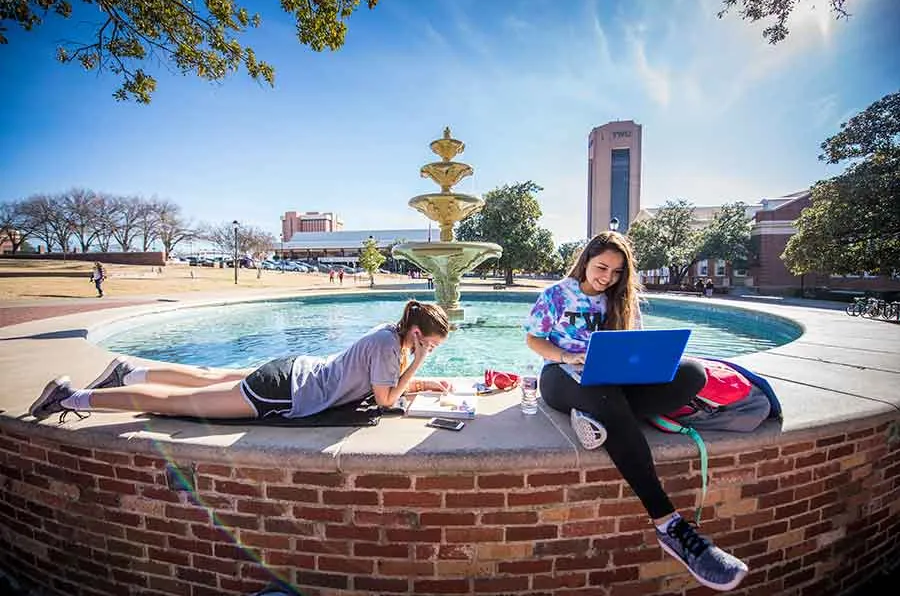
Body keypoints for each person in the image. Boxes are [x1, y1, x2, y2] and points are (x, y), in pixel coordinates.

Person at [523, 231, 748, 592]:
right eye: (601, 268)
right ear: (586, 260)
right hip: (560, 375)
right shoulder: (556, 295)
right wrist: (568, 356)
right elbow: (533, 339)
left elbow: (632, 347)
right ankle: (668, 524)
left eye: (616, 272)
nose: (607, 277)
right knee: (605, 393)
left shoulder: (621, 299)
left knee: (691, 373)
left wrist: (642, 367)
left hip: (608, 381)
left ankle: (595, 416)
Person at [30, 301, 453, 423]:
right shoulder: (389, 348)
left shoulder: (390, 337)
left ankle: (127, 371)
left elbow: (383, 384)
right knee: (172, 404)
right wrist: (418, 367)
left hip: (294, 370)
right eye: (430, 344)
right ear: (417, 334)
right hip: (285, 391)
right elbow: (383, 400)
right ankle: (71, 398)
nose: (430, 351)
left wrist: (425, 383)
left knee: (204, 377)